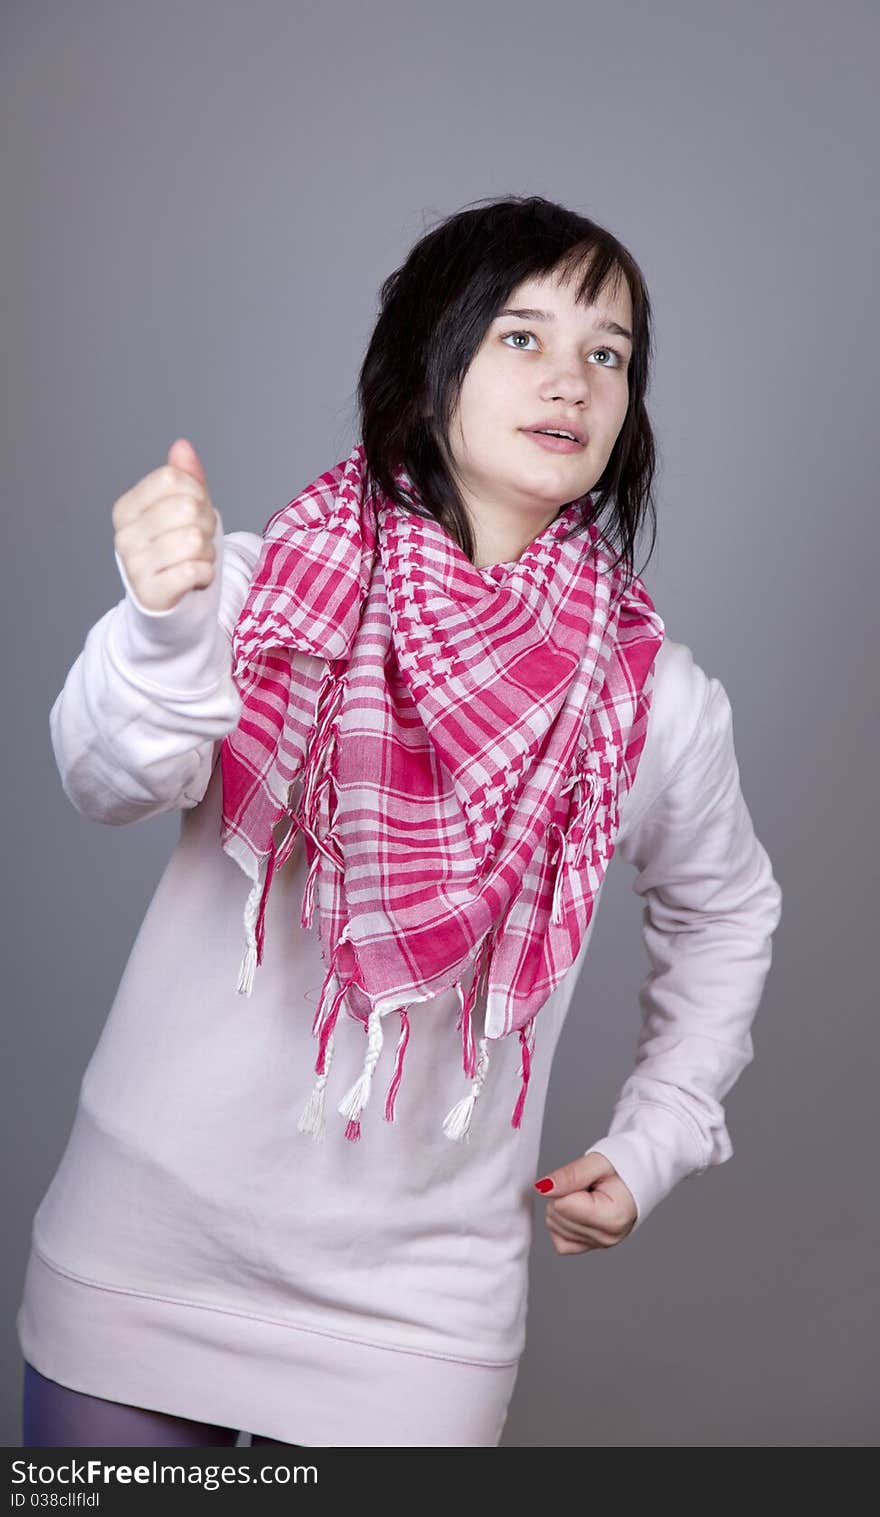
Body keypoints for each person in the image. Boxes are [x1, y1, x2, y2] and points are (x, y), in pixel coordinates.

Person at [16, 194, 783, 1449]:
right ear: (431, 361)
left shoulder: (654, 701)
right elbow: (107, 777)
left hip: (415, 1327)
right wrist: (162, 629)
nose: (573, 382)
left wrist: (656, 1140)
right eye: (522, 338)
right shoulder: (263, 588)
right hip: (141, 1271)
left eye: (608, 353)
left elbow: (727, 910)